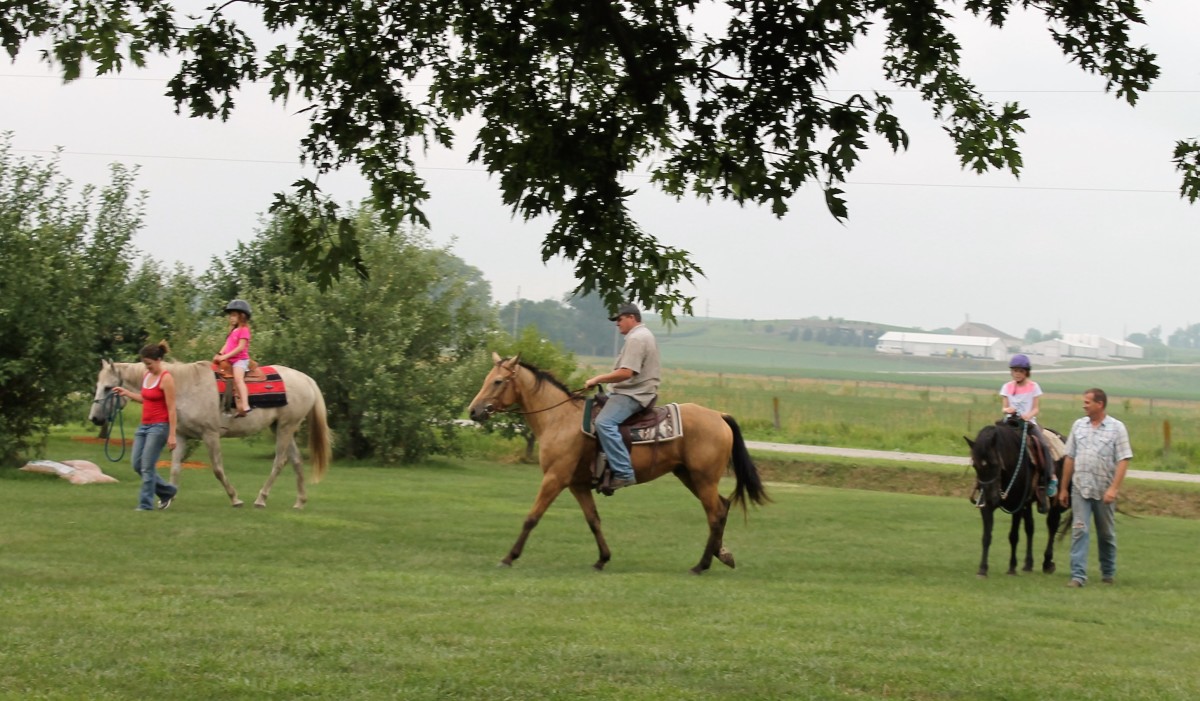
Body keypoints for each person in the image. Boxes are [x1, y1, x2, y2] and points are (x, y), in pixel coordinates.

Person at [1058, 388, 1133, 587]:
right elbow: (1069, 457)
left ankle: (1108, 572)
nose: (1084, 405)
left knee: (1106, 533)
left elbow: (1124, 459)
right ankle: (1077, 576)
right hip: (1080, 488)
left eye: (1088, 402)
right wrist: (1064, 488)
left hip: (1104, 490)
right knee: (1079, 530)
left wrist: (1114, 489)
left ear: (1099, 404)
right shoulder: (1078, 426)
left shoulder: (1117, 428)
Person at [584, 302, 661, 491]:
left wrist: (598, 378)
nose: (617, 324)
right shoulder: (641, 336)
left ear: (631, 318)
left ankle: (624, 473)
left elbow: (626, 373)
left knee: (604, 423)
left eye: (619, 319)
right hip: (630, 390)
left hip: (634, 394)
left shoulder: (637, 339)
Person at [112, 341, 179, 511]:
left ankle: (145, 504)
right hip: (144, 426)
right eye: (145, 364)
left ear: (158, 360)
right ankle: (167, 491)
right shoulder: (147, 376)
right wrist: (126, 393)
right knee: (137, 464)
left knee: (147, 466)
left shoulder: (166, 379)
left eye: (149, 364)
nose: (147, 367)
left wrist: (172, 435)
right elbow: (145, 398)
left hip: (159, 427)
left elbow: (172, 408)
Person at [999, 353, 1057, 512]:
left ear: (1026, 372)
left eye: (1020, 371)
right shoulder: (1007, 387)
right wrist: (1007, 409)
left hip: (1028, 424)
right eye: (1015, 370)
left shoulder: (1034, 387)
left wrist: (1028, 416)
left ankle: (1050, 478)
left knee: (1043, 445)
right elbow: (1003, 407)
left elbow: (1036, 408)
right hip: (1010, 423)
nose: (1017, 373)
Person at [214, 299, 253, 417]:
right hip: (230, 359)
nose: (231, 318)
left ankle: (245, 405)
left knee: (238, 379)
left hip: (240, 360)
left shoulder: (244, 330)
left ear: (242, 316)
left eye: (234, 315)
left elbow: (240, 347)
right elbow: (227, 345)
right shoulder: (233, 331)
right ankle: (225, 405)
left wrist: (225, 356)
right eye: (230, 315)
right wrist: (220, 354)